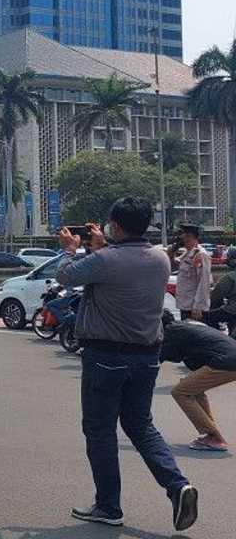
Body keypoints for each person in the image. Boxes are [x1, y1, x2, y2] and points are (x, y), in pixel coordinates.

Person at [57, 196, 197, 531]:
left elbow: (66, 277)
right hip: (146, 357)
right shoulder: (160, 259)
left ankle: (108, 505)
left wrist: (69, 247)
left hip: (106, 357)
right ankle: (178, 486)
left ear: (115, 225)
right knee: (140, 425)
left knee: (100, 430)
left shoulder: (105, 259)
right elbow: (117, 268)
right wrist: (102, 246)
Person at [159, 311, 236, 452]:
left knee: (180, 392)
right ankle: (211, 431)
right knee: (193, 390)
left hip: (225, 361)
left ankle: (214, 437)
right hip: (228, 357)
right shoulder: (186, 325)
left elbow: (157, 360)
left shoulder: (171, 332)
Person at [170, 224, 211, 321]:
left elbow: (204, 282)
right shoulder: (188, 253)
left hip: (193, 307)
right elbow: (175, 264)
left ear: (191, 237)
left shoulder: (200, 255)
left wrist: (198, 307)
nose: (182, 239)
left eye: (185, 236)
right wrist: (171, 253)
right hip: (185, 305)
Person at [205, 247, 236, 332]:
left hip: (232, 311)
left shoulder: (230, 276)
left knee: (207, 317)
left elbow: (216, 296)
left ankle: (216, 339)